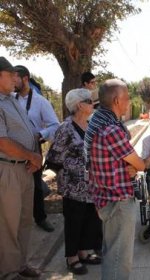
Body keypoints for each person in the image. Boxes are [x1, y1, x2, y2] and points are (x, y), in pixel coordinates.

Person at [85, 79, 145, 280]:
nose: (129, 102)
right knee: (119, 258)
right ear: (117, 100)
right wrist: (135, 167)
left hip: (105, 198)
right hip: (118, 201)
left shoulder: (97, 122)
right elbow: (140, 163)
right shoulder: (111, 130)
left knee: (112, 253)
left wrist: (129, 168)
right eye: (127, 98)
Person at [45, 88, 102, 275]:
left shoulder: (89, 123)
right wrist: (73, 171)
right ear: (79, 105)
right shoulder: (66, 128)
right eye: (89, 101)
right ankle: (72, 257)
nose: (93, 104)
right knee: (74, 221)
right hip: (73, 187)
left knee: (90, 219)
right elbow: (53, 159)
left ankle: (84, 251)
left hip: (91, 185)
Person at [0, 57, 43, 279]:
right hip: (8, 170)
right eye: (11, 75)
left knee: (25, 220)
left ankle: (20, 264)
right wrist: (32, 156)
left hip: (25, 169)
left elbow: (27, 131)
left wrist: (34, 159)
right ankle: (8, 272)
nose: (16, 79)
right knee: (8, 224)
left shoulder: (12, 99)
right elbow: (3, 142)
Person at [14, 65, 60, 233]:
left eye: (15, 78)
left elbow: (55, 125)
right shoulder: (9, 99)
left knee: (36, 186)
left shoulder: (41, 102)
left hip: (33, 148)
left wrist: (40, 134)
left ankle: (40, 218)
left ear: (25, 78)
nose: (12, 81)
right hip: (12, 149)